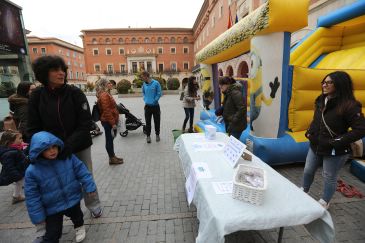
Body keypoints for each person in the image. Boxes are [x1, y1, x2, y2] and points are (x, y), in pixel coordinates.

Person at [27, 55, 102, 218]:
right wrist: (44, 148)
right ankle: (65, 212)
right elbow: (33, 127)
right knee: (56, 180)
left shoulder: (74, 93)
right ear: (44, 73)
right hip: (50, 148)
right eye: (55, 70)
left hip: (79, 145)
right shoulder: (37, 96)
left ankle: (93, 204)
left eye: (63, 70)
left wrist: (68, 145)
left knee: (86, 175)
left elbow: (85, 123)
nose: (61, 73)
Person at [302, 71, 365, 209]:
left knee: (329, 176)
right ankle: (303, 191)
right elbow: (317, 119)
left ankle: (325, 201)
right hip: (316, 145)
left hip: (336, 150)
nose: (324, 85)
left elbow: (360, 129)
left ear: (340, 84)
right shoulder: (321, 99)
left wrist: (337, 141)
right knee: (308, 170)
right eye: (323, 82)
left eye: (329, 82)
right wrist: (310, 131)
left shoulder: (350, 105)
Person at [25, 131, 97, 243]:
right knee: (53, 232)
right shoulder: (32, 171)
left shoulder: (67, 158)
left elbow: (82, 171)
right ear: (39, 151)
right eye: (47, 149)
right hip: (52, 207)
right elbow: (32, 197)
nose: (52, 150)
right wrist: (38, 218)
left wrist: (90, 186)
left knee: (77, 216)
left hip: (72, 197)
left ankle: (79, 227)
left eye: (54, 146)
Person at [95, 78, 123, 164]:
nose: (110, 84)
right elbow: (106, 110)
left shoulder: (106, 94)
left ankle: (113, 156)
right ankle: (111, 158)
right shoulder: (104, 95)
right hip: (107, 121)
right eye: (108, 83)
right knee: (109, 140)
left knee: (110, 139)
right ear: (104, 85)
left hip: (108, 120)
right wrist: (113, 123)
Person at [0, 130, 28, 204]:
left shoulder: (15, 148)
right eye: (19, 138)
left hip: (19, 170)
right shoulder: (8, 153)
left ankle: (16, 196)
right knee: (21, 182)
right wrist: (16, 175)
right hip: (15, 172)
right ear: (10, 142)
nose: (21, 140)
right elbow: (9, 166)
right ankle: (18, 196)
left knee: (19, 182)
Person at [141, 71, 162, 143]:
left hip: (155, 106)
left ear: (146, 76)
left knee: (157, 121)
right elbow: (143, 92)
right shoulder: (144, 84)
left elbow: (159, 93)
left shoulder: (156, 83)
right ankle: (148, 136)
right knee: (148, 122)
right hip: (147, 107)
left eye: (142, 77)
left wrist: (155, 100)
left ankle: (157, 135)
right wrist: (144, 98)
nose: (142, 78)